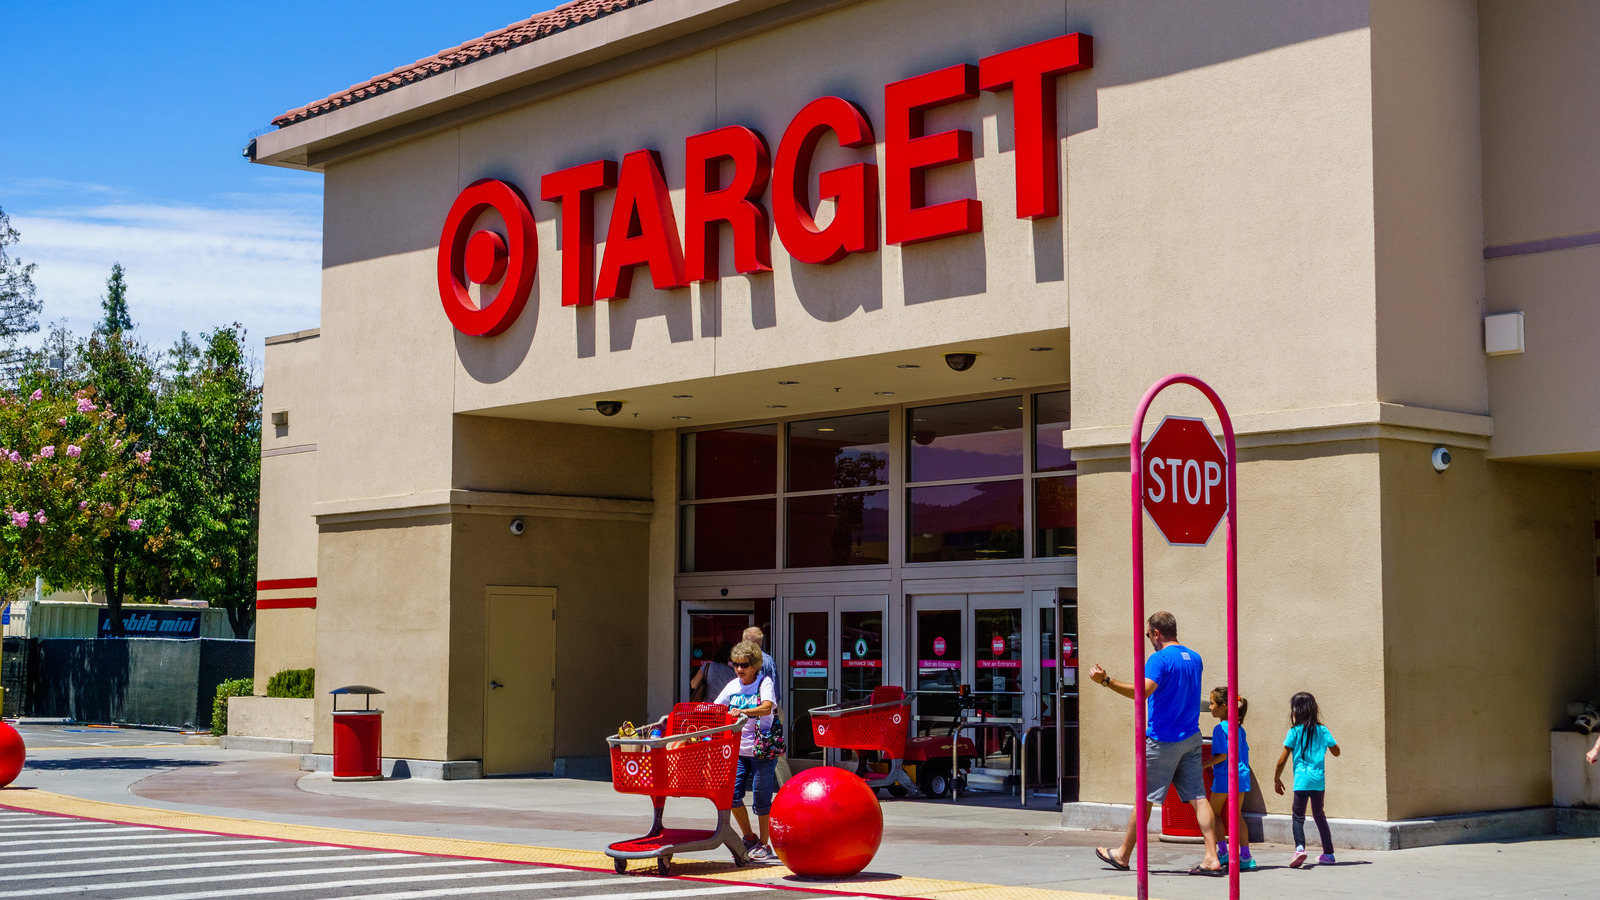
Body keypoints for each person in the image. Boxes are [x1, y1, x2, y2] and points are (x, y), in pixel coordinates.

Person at [1088, 611, 1223, 877]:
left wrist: (1106, 681)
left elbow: (1142, 692)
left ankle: (1123, 854)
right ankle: (1211, 857)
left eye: (1149, 634)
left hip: (1163, 739)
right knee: (1198, 796)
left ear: (1157, 633)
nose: (1149, 638)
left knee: (1145, 798)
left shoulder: (1159, 659)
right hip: (1191, 737)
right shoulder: (1194, 658)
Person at [714, 640, 779, 862]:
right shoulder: (732, 686)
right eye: (736, 665)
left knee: (761, 798)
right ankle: (749, 838)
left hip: (761, 750)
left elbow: (767, 707)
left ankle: (765, 843)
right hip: (738, 751)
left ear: (755, 665)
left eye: (744, 665)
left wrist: (742, 711)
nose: (739, 670)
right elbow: (715, 708)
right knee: (732, 795)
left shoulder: (764, 682)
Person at [1273, 691, 1340, 867]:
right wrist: (1327, 743)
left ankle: (1300, 848)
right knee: (1319, 815)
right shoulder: (1322, 730)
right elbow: (1336, 751)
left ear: (1297, 711)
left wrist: (1276, 779)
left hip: (1301, 782)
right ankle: (1329, 854)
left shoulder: (1294, 732)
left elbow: (1282, 760)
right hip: (1318, 782)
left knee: (1298, 816)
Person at [1204, 686, 1255, 871]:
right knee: (1237, 815)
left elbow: (1221, 756)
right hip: (1241, 777)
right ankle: (1246, 856)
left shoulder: (1220, 729)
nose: (1209, 708)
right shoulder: (1239, 728)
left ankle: (1223, 852)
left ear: (1224, 706)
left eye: (1211, 703)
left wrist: (1201, 765)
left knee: (1213, 813)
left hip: (1225, 777)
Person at [743, 625, 791, 784]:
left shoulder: (759, 663)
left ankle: (786, 790)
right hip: (770, 711)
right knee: (773, 754)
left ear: (749, 643)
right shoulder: (767, 660)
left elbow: (762, 693)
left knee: (771, 755)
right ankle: (786, 788)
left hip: (765, 713)